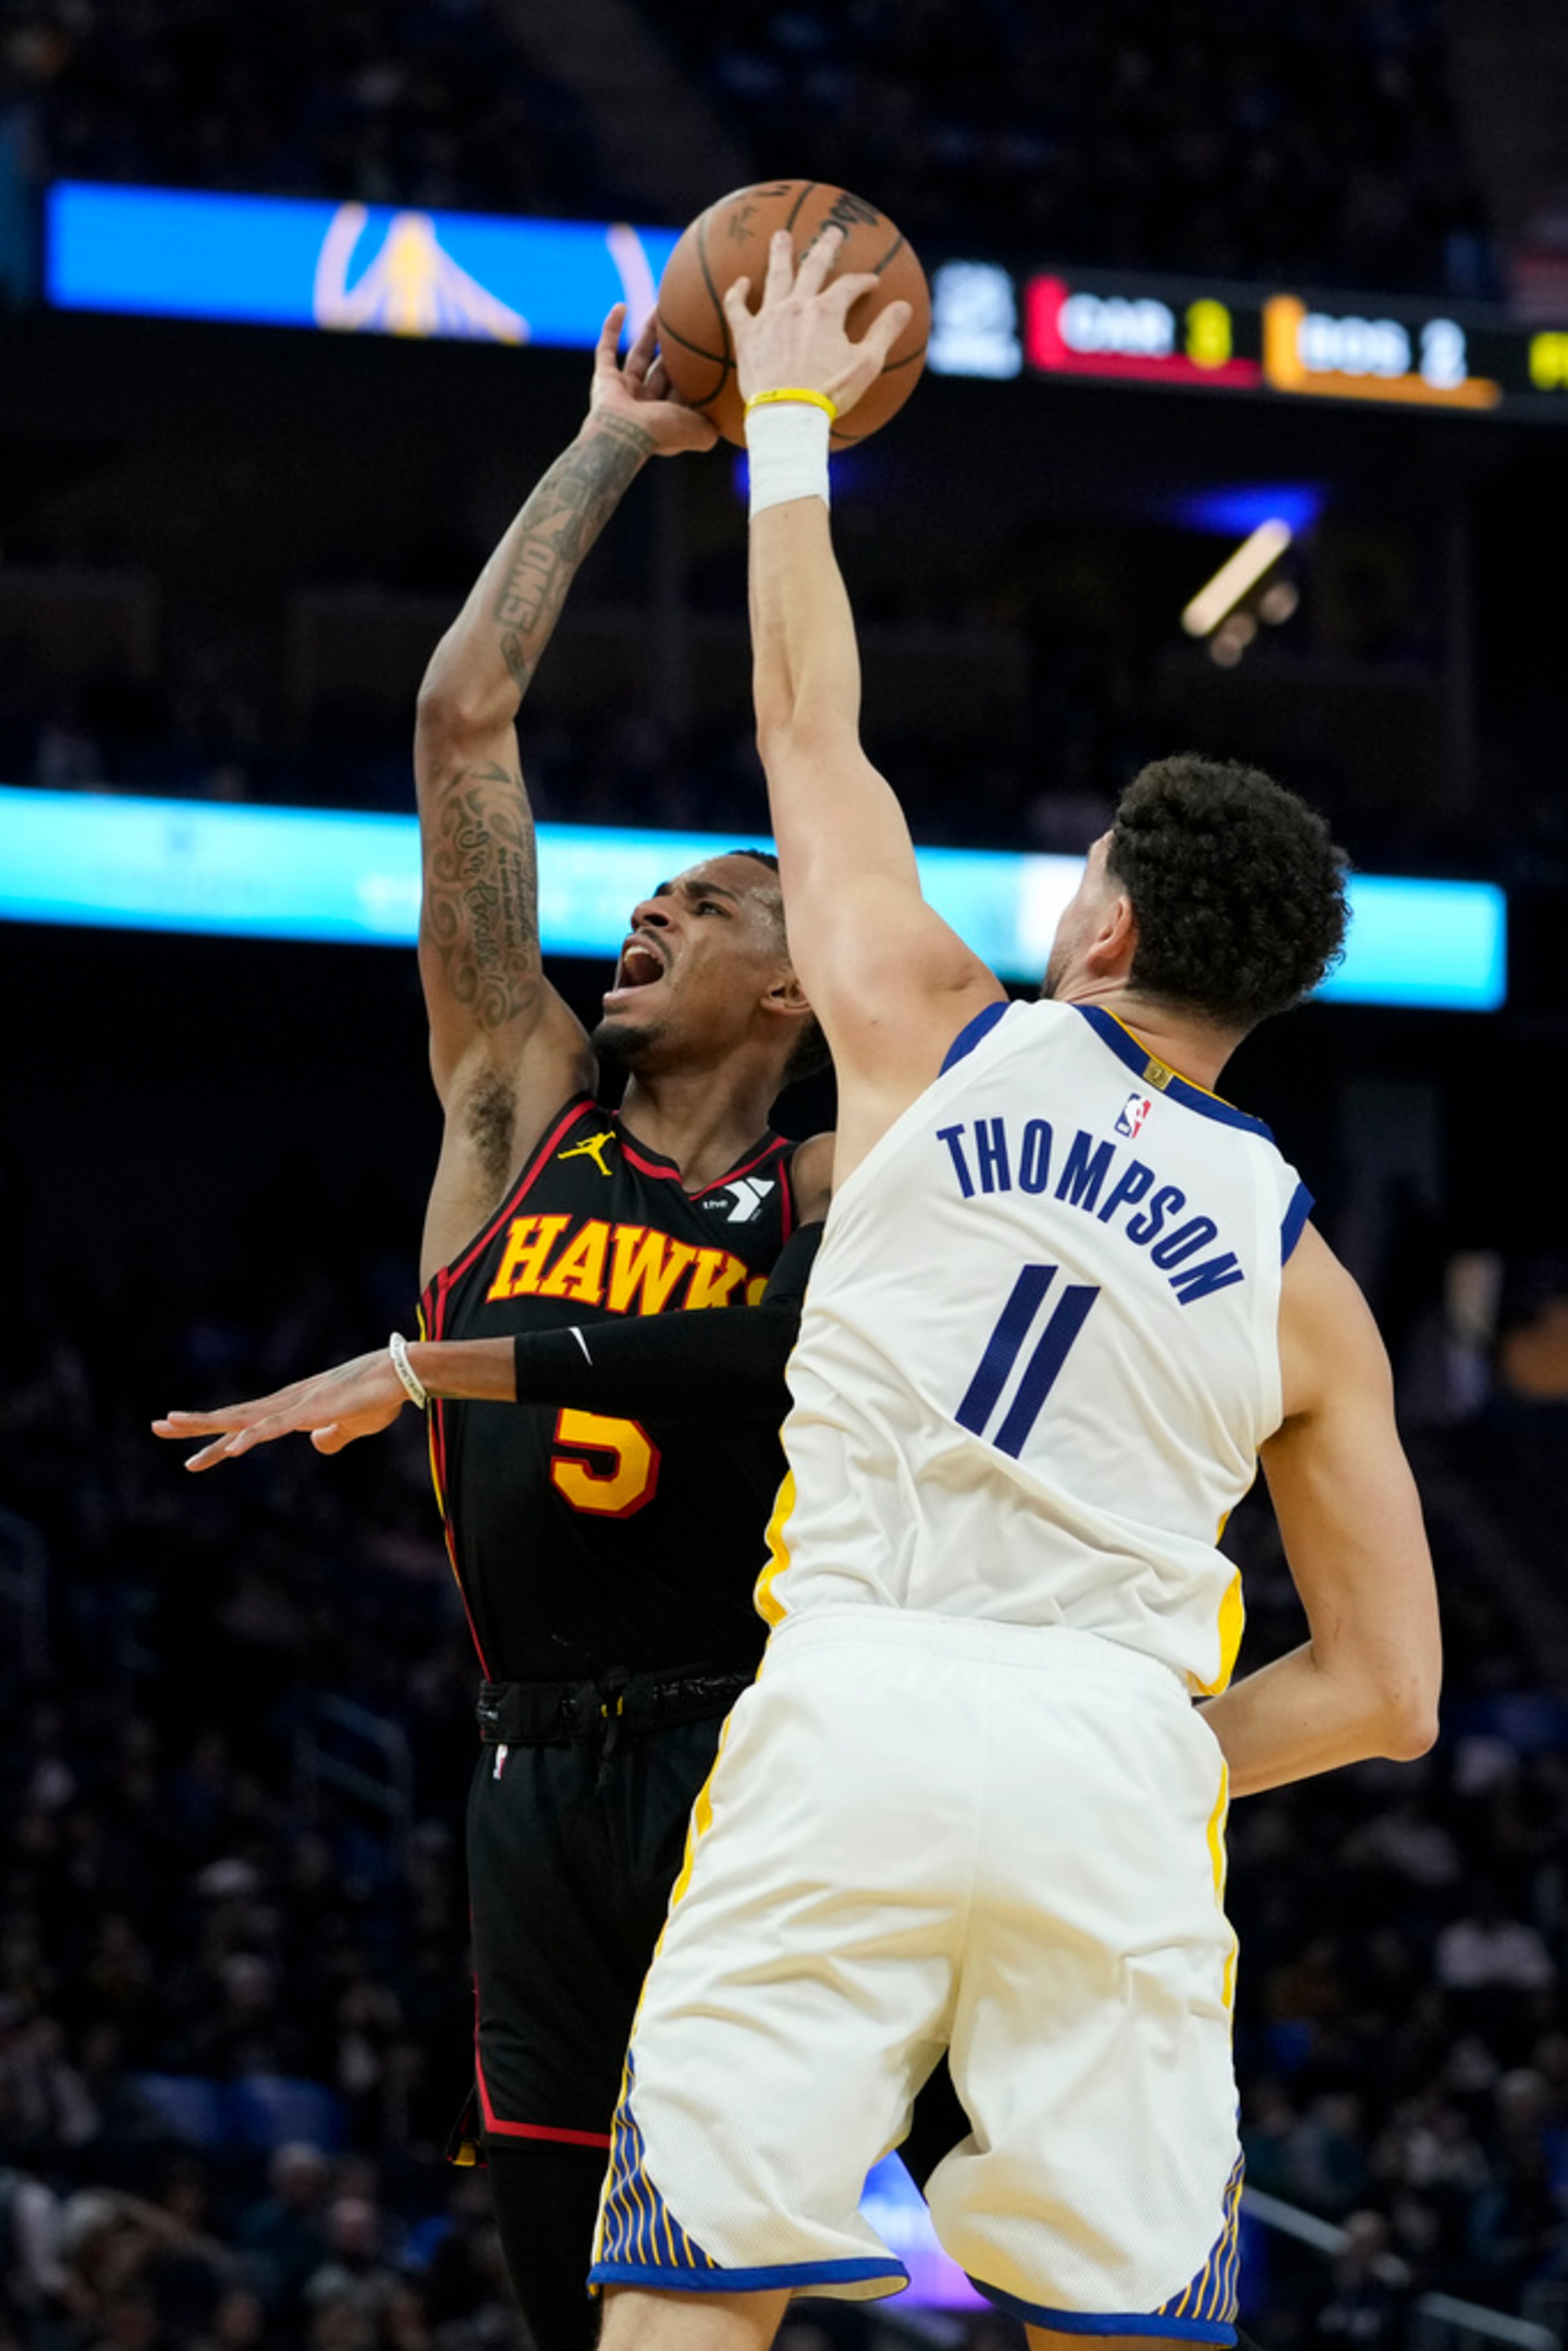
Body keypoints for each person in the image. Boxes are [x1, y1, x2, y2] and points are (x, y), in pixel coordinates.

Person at [588, 230, 1443, 2351]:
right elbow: (1392, 1694)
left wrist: (785, 416)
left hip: (850, 1710)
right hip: (1115, 1768)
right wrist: (1122, 1753)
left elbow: (807, 711)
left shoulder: (922, 1023)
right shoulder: (1306, 1281)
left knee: (687, 2316)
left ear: (1110, 930)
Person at [154, 306, 961, 2351]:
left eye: (719, 899)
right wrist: (609, 444)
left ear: (799, 995)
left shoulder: (835, 1184)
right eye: (661, 890)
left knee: (723, 2288)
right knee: (556, 2300)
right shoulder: (511, 1105)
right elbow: (463, 727)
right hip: (520, 1776)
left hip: (746, 1754)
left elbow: (793, 1315)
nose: (660, 907)